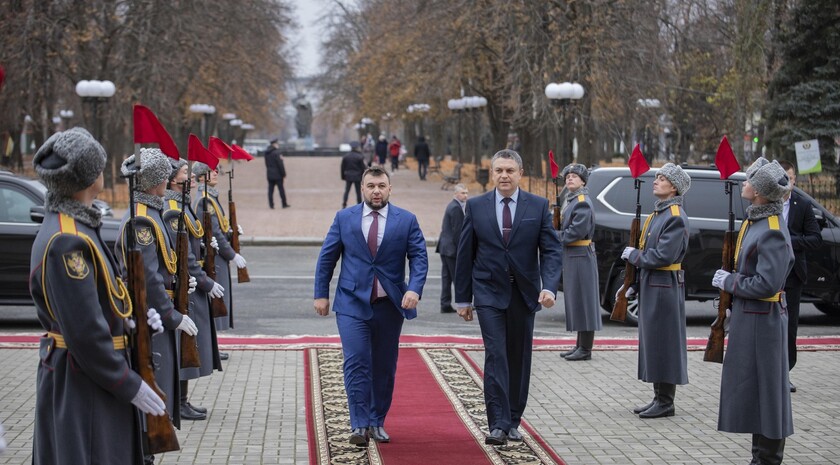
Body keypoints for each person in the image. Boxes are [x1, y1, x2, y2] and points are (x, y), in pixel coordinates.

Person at [29, 128, 166, 465]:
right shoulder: (67, 241)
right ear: (90, 179)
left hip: (90, 376)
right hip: (85, 381)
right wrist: (126, 383)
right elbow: (85, 331)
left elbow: (103, 298)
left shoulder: (74, 228)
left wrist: (133, 321)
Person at [314, 166, 428, 447]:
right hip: (351, 303)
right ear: (362, 189)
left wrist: (413, 288)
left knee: (384, 365)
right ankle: (358, 424)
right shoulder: (344, 218)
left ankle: (377, 422)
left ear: (390, 189)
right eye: (371, 186)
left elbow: (419, 258)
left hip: (390, 305)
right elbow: (327, 258)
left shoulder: (407, 220)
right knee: (356, 362)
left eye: (381, 186)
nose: (376, 191)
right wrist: (321, 294)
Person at [454, 149, 562, 446]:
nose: (504, 175)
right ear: (492, 173)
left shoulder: (538, 206)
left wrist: (549, 287)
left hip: (524, 293)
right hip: (488, 292)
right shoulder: (475, 207)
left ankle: (514, 419)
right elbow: (466, 254)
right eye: (499, 170)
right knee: (497, 355)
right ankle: (498, 423)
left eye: (509, 171)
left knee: (519, 357)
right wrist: (463, 298)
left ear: (520, 173)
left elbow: (552, 251)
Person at [712, 158, 794, 465]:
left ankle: (769, 457)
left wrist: (730, 282)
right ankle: (759, 455)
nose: (744, 184)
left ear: (760, 193)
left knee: (768, 391)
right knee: (755, 389)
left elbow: (765, 284)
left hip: (764, 319)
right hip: (752, 318)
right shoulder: (755, 221)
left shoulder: (771, 229)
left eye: (750, 181)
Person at [116, 148, 200, 432]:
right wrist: (172, 316)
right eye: (164, 178)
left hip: (159, 310)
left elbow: (163, 265)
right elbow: (148, 278)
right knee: (156, 385)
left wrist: (179, 282)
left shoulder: (151, 212)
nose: (168, 183)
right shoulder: (142, 220)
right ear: (155, 182)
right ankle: (146, 448)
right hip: (152, 317)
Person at [619, 163, 690, 419]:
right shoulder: (658, 214)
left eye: (662, 178)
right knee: (654, 343)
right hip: (652, 284)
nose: (655, 181)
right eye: (657, 177)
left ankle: (666, 401)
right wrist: (634, 284)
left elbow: (662, 256)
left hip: (664, 285)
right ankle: (658, 397)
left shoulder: (674, 215)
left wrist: (634, 255)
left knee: (664, 343)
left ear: (674, 187)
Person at [163, 158, 226, 420]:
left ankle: (182, 400)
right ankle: (178, 402)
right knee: (183, 347)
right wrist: (204, 281)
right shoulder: (172, 208)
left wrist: (204, 246)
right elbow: (183, 252)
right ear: (171, 180)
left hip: (192, 279)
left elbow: (192, 241)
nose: (191, 177)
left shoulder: (183, 204)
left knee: (190, 345)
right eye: (185, 174)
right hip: (186, 284)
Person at [778, 159, 822, 393]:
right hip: (771, 272)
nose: (788, 182)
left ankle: (785, 372)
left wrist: (788, 241)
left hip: (793, 275)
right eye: (784, 178)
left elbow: (815, 239)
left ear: (795, 181)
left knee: (789, 326)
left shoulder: (802, 205)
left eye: (791, 178)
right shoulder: (768, 203)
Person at [557, 164, 601, 361]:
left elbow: (574, 232)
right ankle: (580, 345)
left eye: (574, 176)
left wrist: (553, 235)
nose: (570, 179)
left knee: (585, 301)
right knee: (578, 301)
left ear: (583, 181)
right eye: (567, 176)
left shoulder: (582, 202)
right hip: (575, 255)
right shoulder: (573, 200)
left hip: (581, 255)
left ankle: (585, 348)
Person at [435, 183, 468, 313]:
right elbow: (458, 233)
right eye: (462, 193)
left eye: (466, 193)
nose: (465, 196)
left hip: (445, 247)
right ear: (455, 194)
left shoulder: (452, 206)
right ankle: (463, 304)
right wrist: (463, 251)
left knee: (447, 277)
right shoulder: (456, 208)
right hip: (451, 249)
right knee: (457, 277)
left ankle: (445, 303)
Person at [341, 140, 367, 208]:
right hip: (357, 176)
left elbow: (342, 167)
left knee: (347, 190)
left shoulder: (346, 156)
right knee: (358, 191)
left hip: (348, 175)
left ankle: (344, 202)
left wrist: (343, 176)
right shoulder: (360, 156)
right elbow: (363, 167)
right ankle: (359, 204)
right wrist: (363, 176)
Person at [264, 139, 289, 209]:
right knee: (281, 190)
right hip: (278, 175)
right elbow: (280, 164)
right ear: (274, 144)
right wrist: (283, 174)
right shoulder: (277, 153)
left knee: (270, 191)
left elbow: (266, 164)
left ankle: (271, 205)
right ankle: (284, 204)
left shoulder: (266, 153)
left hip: (269, 174)